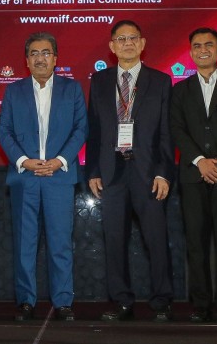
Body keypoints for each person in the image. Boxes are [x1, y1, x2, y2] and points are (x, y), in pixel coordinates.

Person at [86, 20, 175, 322]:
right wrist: (93, 170)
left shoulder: (160, 81)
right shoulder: (98, 82)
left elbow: (166, 133)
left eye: (133, 38)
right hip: (111, 172)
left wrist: (164, 172)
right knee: (114, 239)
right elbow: (94, 131)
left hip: (148, 172)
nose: (127, 43)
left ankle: (162, 301)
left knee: (156, 239)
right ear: (111, 47)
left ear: (143, 43)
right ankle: (122, 301)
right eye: (120, 39)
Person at [0, 32, 87, 322]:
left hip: (59, 177)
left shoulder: (72, 90)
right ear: (26, 60)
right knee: (25, 243)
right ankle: (25, 300)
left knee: (60, 242)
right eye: (34, 53)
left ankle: (63, 302)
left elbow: (80, 130)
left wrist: (59, 162)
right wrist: (26, 161)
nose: (40, 58)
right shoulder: (13, 91)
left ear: (56, 59)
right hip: (26, 177)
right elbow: (4, 132)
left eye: (46, 53)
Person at [169, 27, 217, 324]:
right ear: (190, 52)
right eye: (197, 45)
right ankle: (200, 304)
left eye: (209, 45)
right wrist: (200, 161)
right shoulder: (179, 90)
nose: (203, 49)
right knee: (196, 243)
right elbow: (177, 129)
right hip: (192, 176)